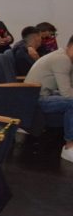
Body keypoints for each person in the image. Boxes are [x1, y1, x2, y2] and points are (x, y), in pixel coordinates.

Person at [25, 35, 73, 163]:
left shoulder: (64, 57)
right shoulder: (62, 60)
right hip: (35, 99)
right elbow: (67, 93)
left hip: (43, 94)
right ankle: (69, 147)